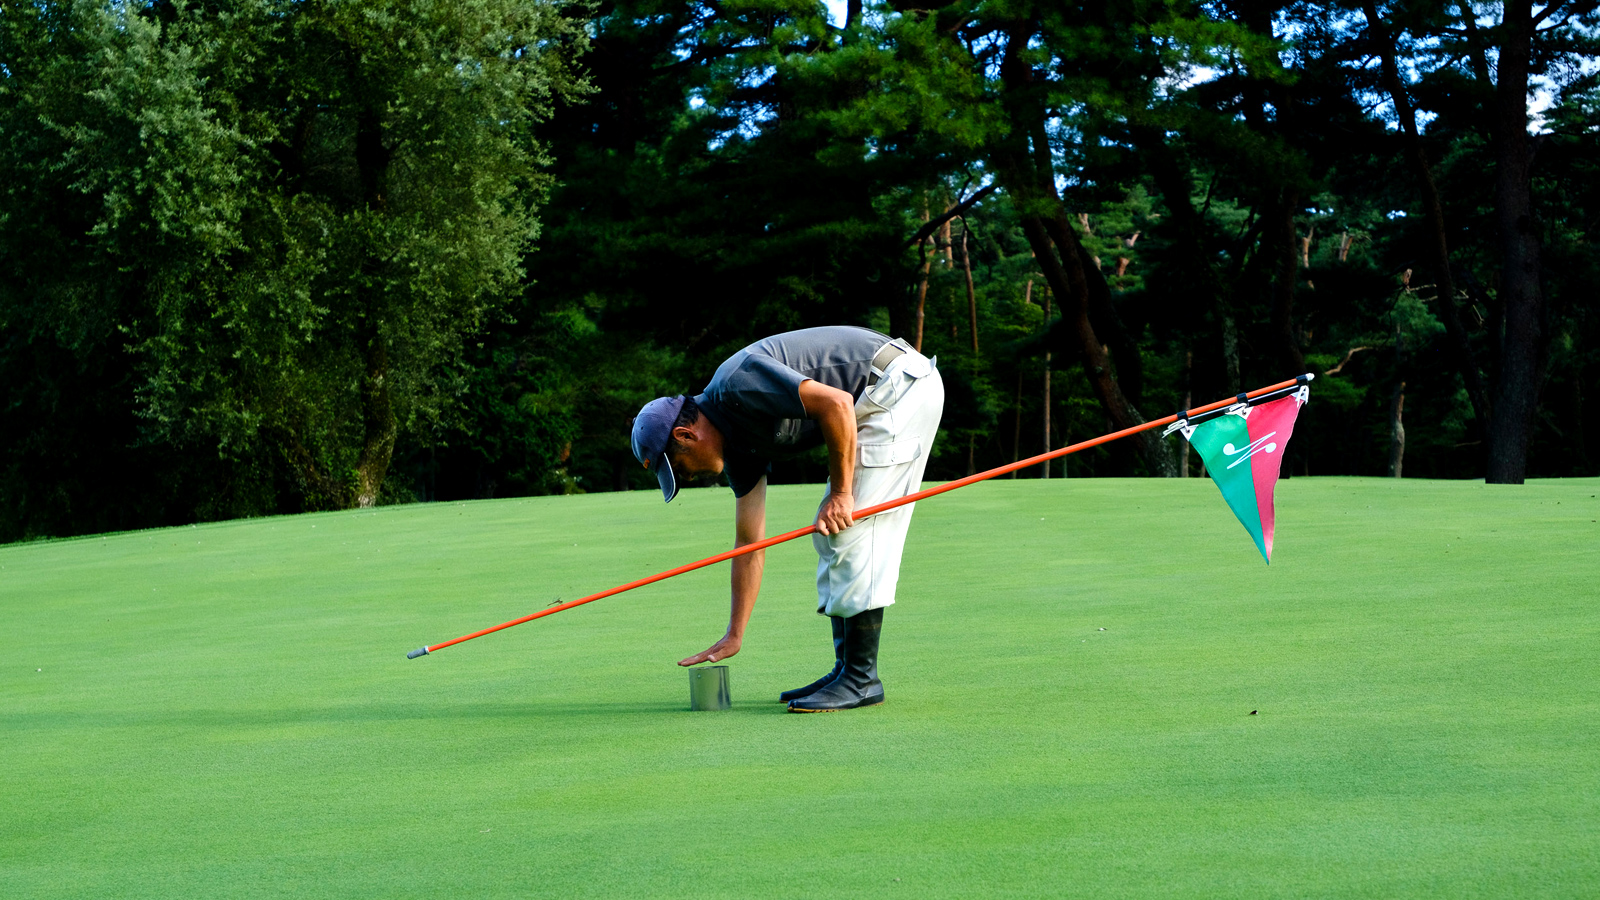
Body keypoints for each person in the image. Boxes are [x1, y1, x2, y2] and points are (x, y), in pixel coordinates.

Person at [630, 326, 943, 712]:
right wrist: (734, 634)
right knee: (831, 534)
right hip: (879, 396)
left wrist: (842, 495)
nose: (688, 478)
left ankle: (861, 679)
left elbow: (837, 404)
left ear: (686, 434)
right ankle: (847, 668)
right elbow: (750, 542)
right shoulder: (737, 449)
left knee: (852, 530)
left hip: (898, 386)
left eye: (680, 467)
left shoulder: (736, 385)